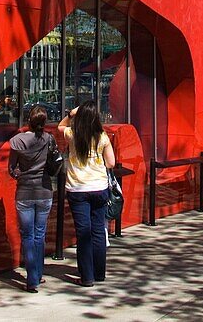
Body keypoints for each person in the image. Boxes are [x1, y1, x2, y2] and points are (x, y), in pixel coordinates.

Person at [58, 101, 115, 287]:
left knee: (83, 233)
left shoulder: (73, 135)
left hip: (78, 189)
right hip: (99, 187)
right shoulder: (102, 137)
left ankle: (87, 276)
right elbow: (111, 163)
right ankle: (100, 273)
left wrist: (72, 114)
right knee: (98, 230)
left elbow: (61, 126)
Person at [8, 105, 57, 292]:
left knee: (27, 236)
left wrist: (21, 174)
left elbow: (12, 169)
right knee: (39, 234)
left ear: (29, 120)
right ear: (44, 122)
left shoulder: (17, 141)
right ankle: (37, 273)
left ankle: (32, 279)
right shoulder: (48, 139)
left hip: (25, 193)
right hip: (44, 191)